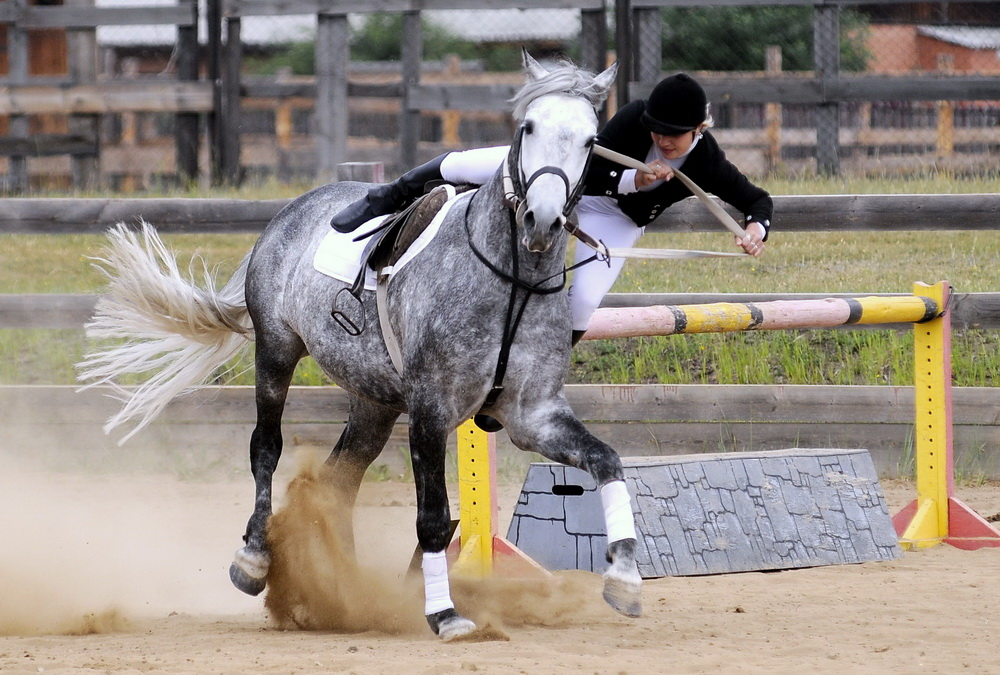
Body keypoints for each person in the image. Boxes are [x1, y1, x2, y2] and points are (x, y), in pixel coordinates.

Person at [330, 72, 772, 346]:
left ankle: (539, 366)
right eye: (656, 130)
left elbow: (757, 200)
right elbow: (588, 171)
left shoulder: (707, 161)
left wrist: (755, 229)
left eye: (674, 134)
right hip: (562, 177)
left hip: (611, 217)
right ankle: (379, 200)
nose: (662, 140)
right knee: (458, 163)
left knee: (582, 303)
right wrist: (636, 179)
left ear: (700, 129)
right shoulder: (634, 118)